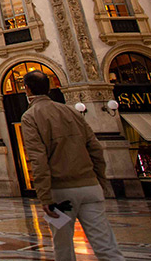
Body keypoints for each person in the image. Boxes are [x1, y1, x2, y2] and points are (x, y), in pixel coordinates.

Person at [20, 70, 125, 261]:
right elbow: (95, 149)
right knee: (106, 246)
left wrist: (44, 195)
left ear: (26, 89)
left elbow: (38, 159)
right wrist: (100, 182)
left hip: (61, 193)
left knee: (63, 248)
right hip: (90, 188)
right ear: (50, 87)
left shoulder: (30, 116)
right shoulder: (72, 111)